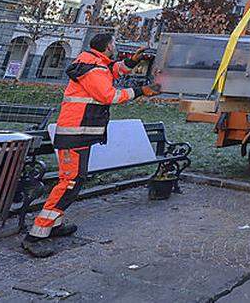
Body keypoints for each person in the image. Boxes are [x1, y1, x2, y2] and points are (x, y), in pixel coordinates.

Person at [21, 32, 158, 258]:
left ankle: (54, 225)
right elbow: (108, 95)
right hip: (75, 132)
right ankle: (36, 234)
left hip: (78, 131)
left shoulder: (94, 63)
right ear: (106, 47)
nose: (115, 46)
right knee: (70, 182)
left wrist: (132, 62)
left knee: (73, 180)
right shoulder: (94, 69)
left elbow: (113, 70)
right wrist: (140, 91)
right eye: (113, 43)